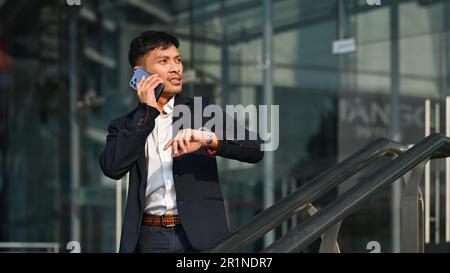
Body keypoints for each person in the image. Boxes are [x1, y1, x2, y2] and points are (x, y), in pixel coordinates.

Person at [99, 30, 264, 253]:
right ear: (140, 74)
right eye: (164, 61)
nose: (176, 68)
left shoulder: (201, 110)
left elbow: (255, 147)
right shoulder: (125, 125)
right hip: (150, 238)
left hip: (201, 236)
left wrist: (208, 139)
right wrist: (146, 113)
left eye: (178, 60)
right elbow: (112, 167)